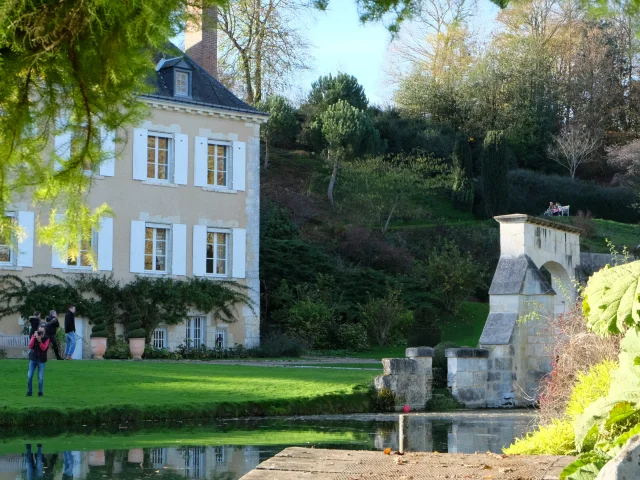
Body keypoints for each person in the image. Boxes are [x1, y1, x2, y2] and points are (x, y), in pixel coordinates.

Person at [27, 324, 50, 397]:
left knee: (40, 378)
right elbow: (30, 346)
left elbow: (44, 348)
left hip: (41, 359)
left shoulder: (47, 338)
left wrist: (40, 341)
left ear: (44, 332)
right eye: (39, 331)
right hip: (33, 359)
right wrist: (34, 337)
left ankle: (40, 392)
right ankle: (29, 392)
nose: (40, 333)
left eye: (42, 332)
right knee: (29, 376)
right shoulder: (34, 336)